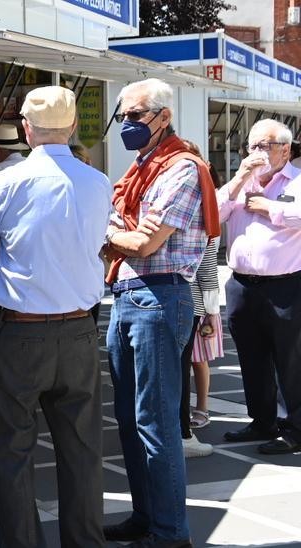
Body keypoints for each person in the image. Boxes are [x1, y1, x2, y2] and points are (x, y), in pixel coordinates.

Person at [0, 86, 111, 548]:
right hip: (79, 330)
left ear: (26, 131)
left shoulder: (5, 181)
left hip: (21, 333)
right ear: (73, 127)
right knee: (83, 452)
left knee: (12, 452)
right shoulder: (97, 181)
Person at [103, 78, 219, 548]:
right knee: (131, 419)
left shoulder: (182, 168)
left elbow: (145, 243)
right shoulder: (142, 170)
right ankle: (146, 515)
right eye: (123, 117)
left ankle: (171, 533)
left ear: (163, 117)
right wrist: (120, 231)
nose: (127, 124)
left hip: (160, 295)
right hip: (130, 295)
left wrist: (114, 232)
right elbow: (122, 231)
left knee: (156, 421)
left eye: (135, 116)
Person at [217, 118, 301, 455]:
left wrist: (272, 208)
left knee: (291, 360)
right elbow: (215, 213)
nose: (257, 153)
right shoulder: (242, 183)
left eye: (265, 146)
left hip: (286, 285)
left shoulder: (296, 181)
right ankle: (261, 421)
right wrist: (238, 180)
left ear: (285, 149)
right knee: (251, 358)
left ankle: (294, 426)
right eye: (251, 146)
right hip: (242, 284)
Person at [172, 141, 221, 459]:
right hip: (185, 303)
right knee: (180, 368)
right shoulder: (204, 208)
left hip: (159, 298)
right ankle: (183, 433)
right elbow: (207, 268)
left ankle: (181, 427)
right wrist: (209, 313)